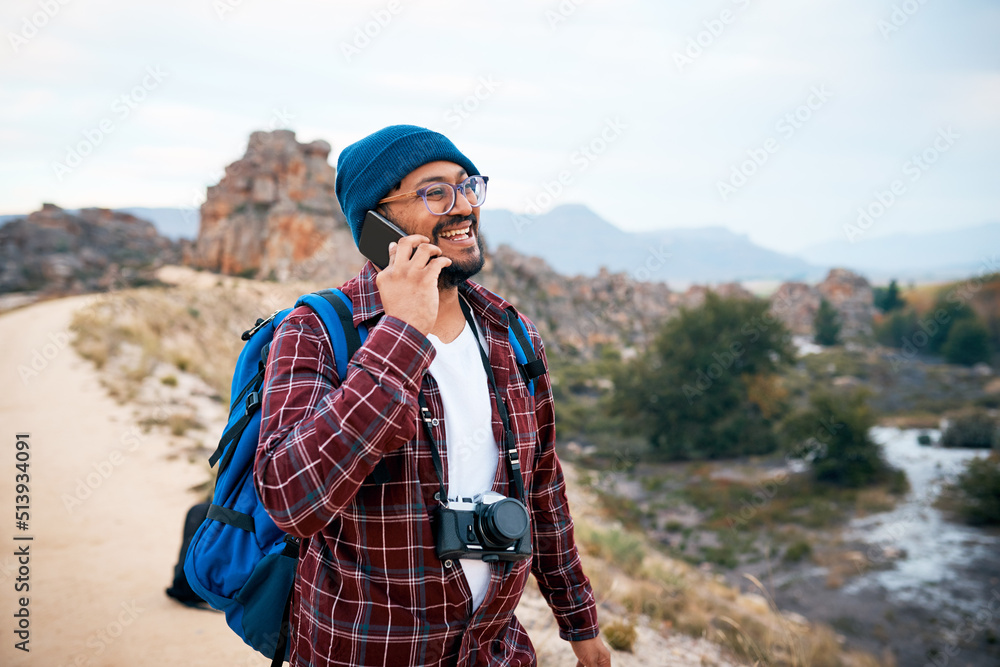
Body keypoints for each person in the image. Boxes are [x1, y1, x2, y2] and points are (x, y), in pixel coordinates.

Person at [254, 125, 611, 667]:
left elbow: (543, 489)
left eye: (467, 186)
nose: (463, 206)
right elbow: (289, 497)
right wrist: (401, 331)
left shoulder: (509, 333)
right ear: (377, 222)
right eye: (435, 192)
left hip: (493, 652)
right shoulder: (318, 331)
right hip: (364, 652)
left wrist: (580, 624)